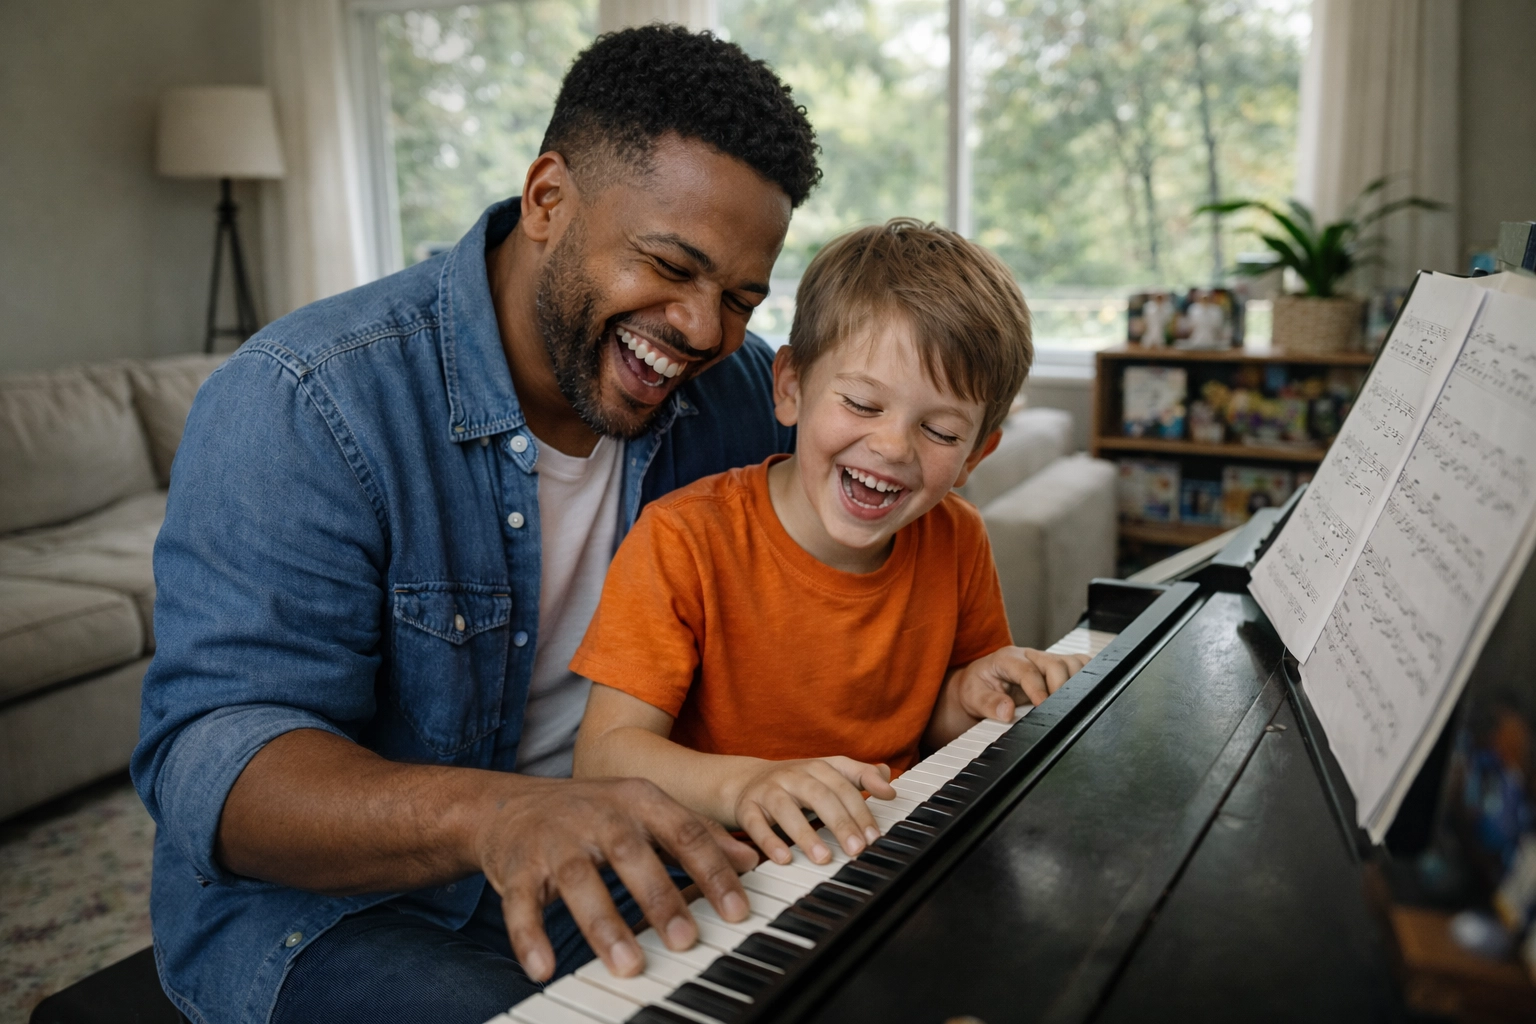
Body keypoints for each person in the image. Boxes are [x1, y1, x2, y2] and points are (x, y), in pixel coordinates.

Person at [130, 27, 821, 1024]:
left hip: (616, 856)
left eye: (741, 298)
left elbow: (870, 483)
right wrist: (499, 814)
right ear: (548, 199)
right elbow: (215, 763)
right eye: (670, 264)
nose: (705, 330)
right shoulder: (308, 398)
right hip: (339, 913)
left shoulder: (738, 395)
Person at [571, 220, 1090, 867]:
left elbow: (937, 726)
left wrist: (974, 695)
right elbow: (602, 759)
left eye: (940, 430)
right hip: (724, 881)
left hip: (887, 858)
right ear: (790, 387)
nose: (893, 447)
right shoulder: (683, 540)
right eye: (863, 404)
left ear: (975, 457)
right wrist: (745, 785)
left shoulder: (958, 538)